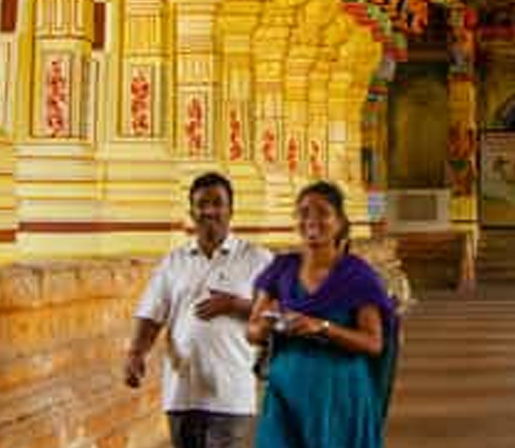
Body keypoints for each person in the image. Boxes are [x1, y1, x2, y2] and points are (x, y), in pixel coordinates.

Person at [125, 172, 276, 448]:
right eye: (201, 204)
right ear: (191, 212)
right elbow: (151, 313)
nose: (209, 211)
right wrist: (136, 354)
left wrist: (235, 304)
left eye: (217, 203)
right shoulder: (174, 262)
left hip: (231, 395)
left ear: (231, 211)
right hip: (182, 394)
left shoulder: (258, 259)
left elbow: (277, 314)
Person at [248, 180, 399, 448]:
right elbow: (252, 332)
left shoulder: (356, 275)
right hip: (286, 397)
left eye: (322, 212)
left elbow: (374, 343)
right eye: (304, 212)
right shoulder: (281, 269)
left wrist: (322, 327)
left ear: (340, 222)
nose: (312, 220)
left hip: (341, 398)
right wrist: (268, 323)